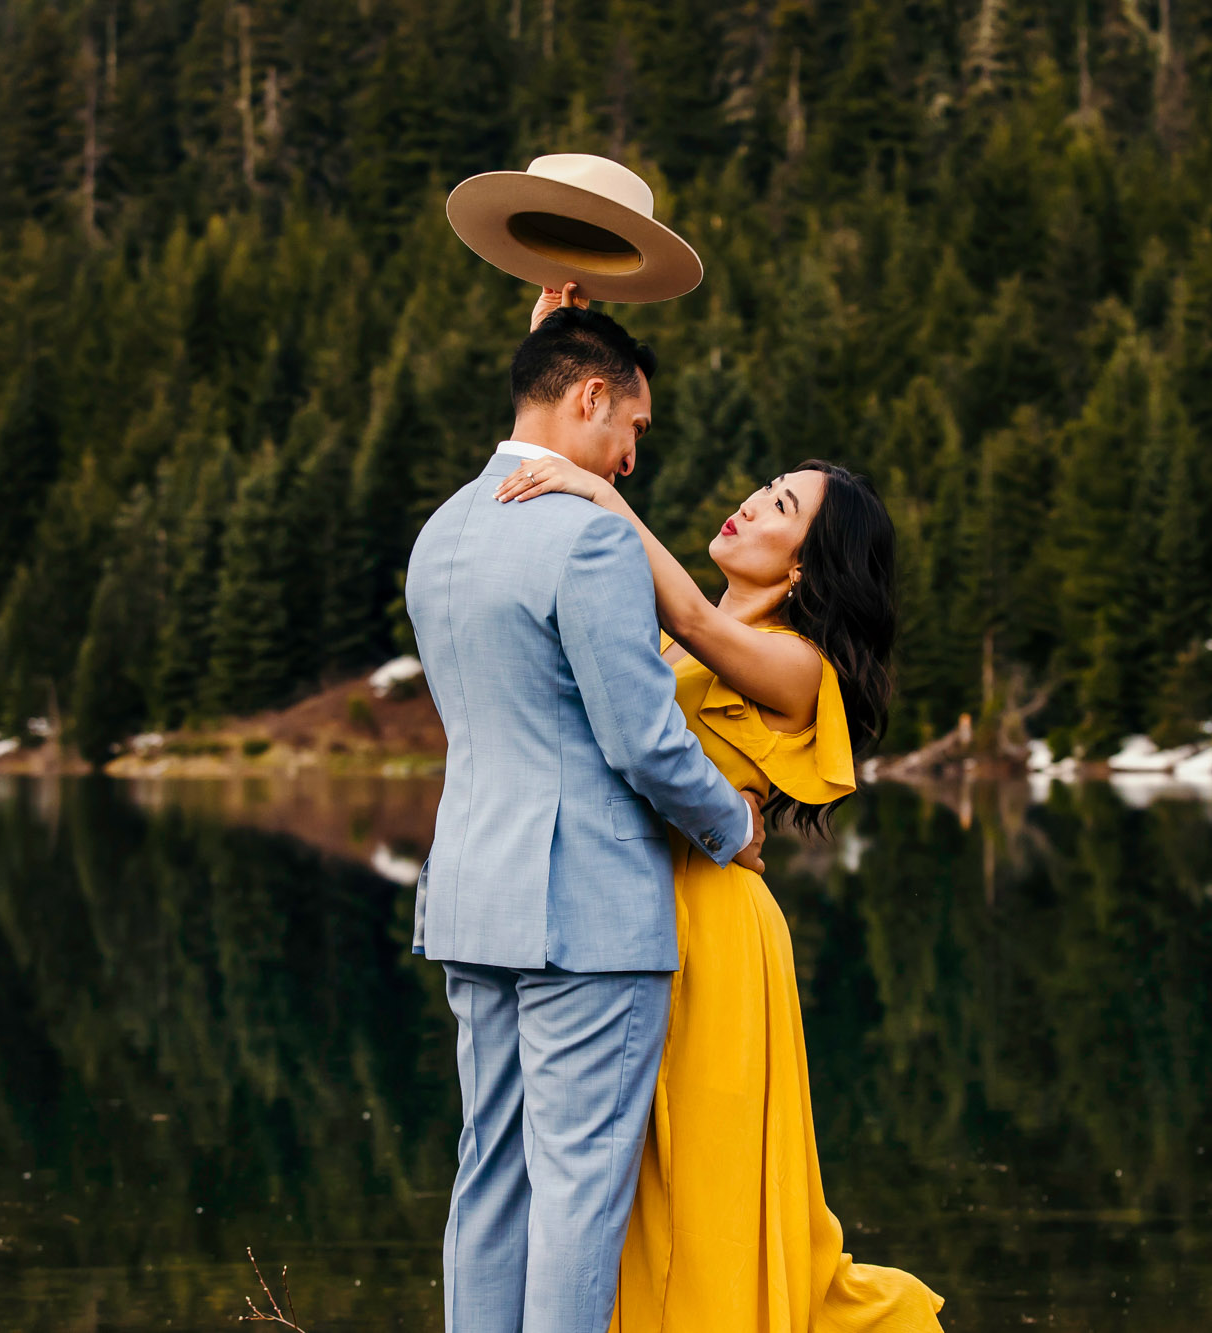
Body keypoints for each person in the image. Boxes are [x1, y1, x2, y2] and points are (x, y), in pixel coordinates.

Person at [491, 289, 947, 1331]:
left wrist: (593, 489)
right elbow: (550, 487)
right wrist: (547, 363)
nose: (747, 503)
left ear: (802, 567)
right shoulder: (687, 638)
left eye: (778, 511)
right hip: (630, 920)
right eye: (762, 487)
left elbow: (688, 613)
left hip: (716, 942)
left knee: (702, 1184)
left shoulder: (797, 666)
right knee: (628, 1182)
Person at [406, 300, 769, 1333]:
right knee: (576, 1196)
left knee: (491, 1177)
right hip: (587, 914)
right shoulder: (588, 538)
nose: (629, 457)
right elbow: (643, 739)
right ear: (590, 395)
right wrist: (732, 826)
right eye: (633, 429)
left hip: (473, 899)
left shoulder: (442, 532)